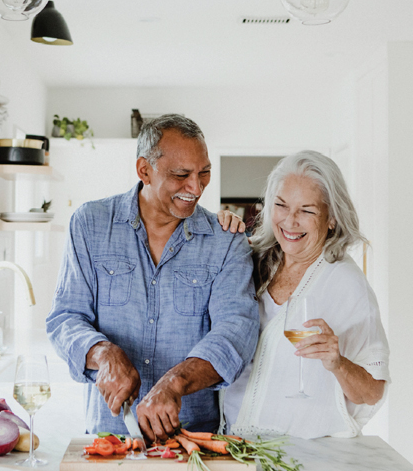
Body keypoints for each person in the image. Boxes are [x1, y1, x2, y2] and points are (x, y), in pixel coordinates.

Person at [46, 114, 259, 441]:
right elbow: (65, 318)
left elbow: (236, 332)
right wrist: (103, 353)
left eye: (204, 173)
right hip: (108, 438)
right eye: (181, 175)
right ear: (144, 170)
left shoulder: (226, 240)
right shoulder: (89, 224)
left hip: (192, 442)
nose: (196, 187)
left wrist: (174, 383)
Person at [223, 150, 390, 439]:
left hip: (302, 455)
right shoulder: (252, 260)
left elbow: (372, 391)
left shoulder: (346, 285)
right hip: (233, 445)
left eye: (307, 210)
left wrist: (338, 363)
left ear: (332, 219)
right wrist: (220, 230)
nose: (290, 221)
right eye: (281, 205)